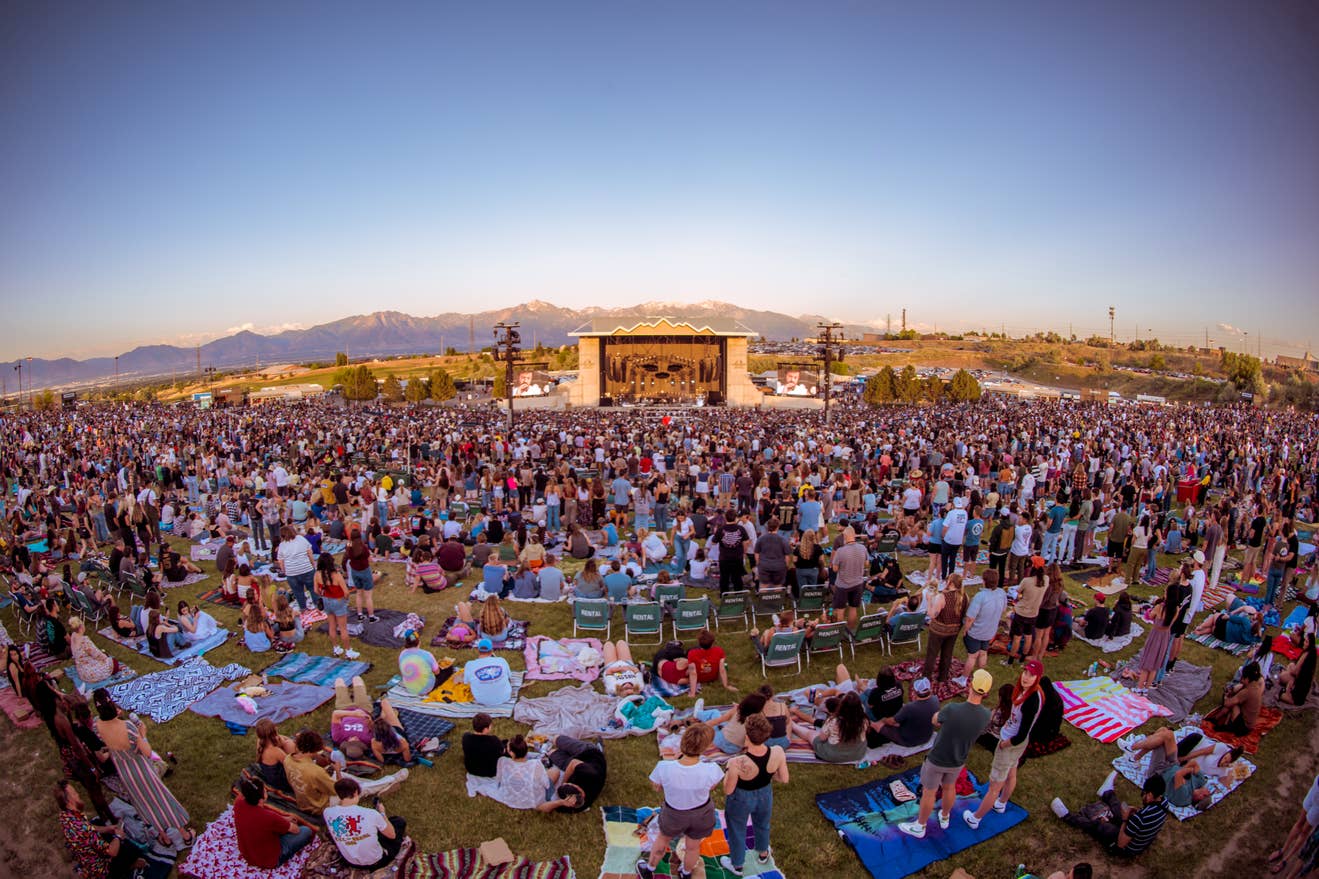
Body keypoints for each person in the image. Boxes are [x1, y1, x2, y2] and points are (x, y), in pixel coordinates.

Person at [91, 690, 195, 847]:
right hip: (141, 769)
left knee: (144, 804)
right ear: (112, 703)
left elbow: (105, 744)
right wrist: (143, 734)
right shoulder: (127, 727)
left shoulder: (96, 725)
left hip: (125, 773)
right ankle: (185, 834)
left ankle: (164, 837)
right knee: (162, 799)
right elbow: (146, 752)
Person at [898, 669, 993, 838]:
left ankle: (920, 826)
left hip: (938, 758)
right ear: (986, 692)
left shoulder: (953, 709)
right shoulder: (986, 715)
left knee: (929, 792)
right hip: (958, 759)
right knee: (949, 787)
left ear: (970, 685)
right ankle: (945, 815)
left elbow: (936, 720)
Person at [636, 724, 725, 879]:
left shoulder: (664, 767)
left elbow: (656, 787)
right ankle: (686, 873)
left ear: (682, 742)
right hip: (702, 814)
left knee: (662, 840)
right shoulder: (713, 769)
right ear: (705, 748)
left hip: (673, 815)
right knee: (692, 847)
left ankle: (649, 869)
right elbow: (711, 787)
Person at [963, 661, 1044, 829]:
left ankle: (975, 818)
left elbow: (1022, 733)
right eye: (1025, 673)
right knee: (1011, 773)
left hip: (1011, 743)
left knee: (994, 786)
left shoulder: (1032, 701)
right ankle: (1001, 803)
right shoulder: (1028, 692)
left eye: (1031, 675)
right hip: (1015, 742)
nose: (1026, 678)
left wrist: (1005, 744)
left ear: (1038, 678)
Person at [719, 714, 789, 877]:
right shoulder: (778, 751)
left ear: (747, 734)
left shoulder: (736, 762)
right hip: (765, 794)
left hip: (741, 799)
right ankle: (763, 853)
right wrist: (769, 775)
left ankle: (737, 865)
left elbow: (728, 790)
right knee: (763, 823)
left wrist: (727, 775)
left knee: (737, 829)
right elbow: (784, 778)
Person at [1052, 773, 1168, 856]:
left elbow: (1121, 843)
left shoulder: (1140, 818)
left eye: (1144, 793)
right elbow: (1146, 820)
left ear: (1150, 795)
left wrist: (1125, 820)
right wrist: (1133, 813)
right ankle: (1107, 793)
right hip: (1140, 837)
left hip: (1127, 848)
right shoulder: (1164, 803)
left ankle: (1067, 817)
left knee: (1098, 825)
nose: (1142, 796)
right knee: (1119, 808)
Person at [55, 779, 147, 879]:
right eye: (74, 793)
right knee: (131, 851)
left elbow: (90, 827)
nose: (78, 794)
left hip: (87, 859)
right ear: (69, 802)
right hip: (102, 870)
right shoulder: (83, 829)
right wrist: (118, 836)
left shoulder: (65, 816)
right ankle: (126, 868)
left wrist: (108, 829)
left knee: (99, 824)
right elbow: (112, 851)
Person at [324, 777, 408, 870]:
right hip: (377, 862)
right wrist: (382, 813)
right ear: (356, 792)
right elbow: (392, 835)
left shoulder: (327, 812)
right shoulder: (371, 814)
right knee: (398, 822)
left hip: (350, 861)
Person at [233, 776, 314, 869]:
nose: (266, 791)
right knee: (306, 831)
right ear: (260, 800)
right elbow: (295, 830)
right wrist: (286, 822)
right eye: (264, 791)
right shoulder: (268, 817)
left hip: (248, 853)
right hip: (270, 859)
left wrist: (283, 819)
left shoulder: (239, 802)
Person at [790, 691, 868, 763]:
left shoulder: (834, 721)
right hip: (857, 754)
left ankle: (792, 725)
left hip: (833, 755)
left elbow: (822, 738)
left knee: (810, 734)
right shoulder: (864, 720)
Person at [537, 735, 608, 813]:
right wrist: (563, 782)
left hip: (581, 759)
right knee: (556, 739)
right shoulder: (590, 773)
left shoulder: (572, 804)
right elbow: (573, 763)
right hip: (590, 754)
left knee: (552, 752)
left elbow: (539, 807)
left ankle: (564, 752)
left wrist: (560, 802)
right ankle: (599, 749)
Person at [869, 676, 938, 748]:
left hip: (908, 740)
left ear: (914, 691)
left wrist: (883, 720)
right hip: (926, 737)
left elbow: (892, 722)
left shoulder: (910, 707)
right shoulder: (935, 700)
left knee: (878, 724)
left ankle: (868, 723)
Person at [485, 734, 552, 810]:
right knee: (555, 772)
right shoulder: (536, 764)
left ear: (511, 752)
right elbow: (546, 784)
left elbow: (499, 780)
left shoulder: (502, 761)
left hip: (508, 797)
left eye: (507, 747)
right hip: (532, 801)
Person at [923, 572, 967, 683]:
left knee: (931, 655)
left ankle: (926, 679)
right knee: (947, 654)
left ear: (950, 583)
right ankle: (943, 677)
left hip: (938, 631)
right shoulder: (964, 597)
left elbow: (932, 614)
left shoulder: (943, 596)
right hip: (953, 631)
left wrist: (928, 601)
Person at [962, 569, 1006, 678]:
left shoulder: (980, 596)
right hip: (989, 631)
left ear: (984, 581)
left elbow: (970, 618)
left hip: (976, 632)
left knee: (972, 656)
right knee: (983, 653)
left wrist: (965, 630)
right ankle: (981, 677)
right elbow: (1004, 609)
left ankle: (963, 679)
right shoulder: (1002, 593)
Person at [1004, 557, 1046, 666]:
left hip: (1022, 613)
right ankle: (1022, 659)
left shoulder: (1027, 581)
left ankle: (1010, 661)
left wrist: (1021, 597)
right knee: (1028, 636)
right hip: (1033, 613)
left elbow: (1018, 593)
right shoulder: (1046, 580)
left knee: (1017, 637)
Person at [1205, 661, 1264, 736]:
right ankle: (1216, 719)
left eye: (1242, 677)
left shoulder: (1247, 691)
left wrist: (1226, 696)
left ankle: (1225, 725)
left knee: (1233, 704)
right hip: (1249, 723)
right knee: (1234, 700)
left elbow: (1227, 703)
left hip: (1243, 728)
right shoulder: (1254, 685)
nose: (1240, 680)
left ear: (1247, 678)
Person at [830, 526, 869, 627]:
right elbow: (867, 564)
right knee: (853, 608)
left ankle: (839, 633)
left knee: (840, 610)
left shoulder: (840, 551)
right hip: (858, 583)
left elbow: (834, 569)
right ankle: (850, 631)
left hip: (843, 585)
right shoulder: (863, 548)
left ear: (845, 536)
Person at [69, 616, 120, 685]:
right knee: (114, 663)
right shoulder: (84, 640)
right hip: (89, 673)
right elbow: (97, 654)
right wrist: (106, 658)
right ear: (81, 627)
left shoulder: (73, 636)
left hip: (81, 671)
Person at [465, 638, 512, 706]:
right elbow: (509, 677)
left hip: (482, 700)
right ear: (491, 650)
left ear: (478, 650)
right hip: (505, 697)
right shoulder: (501, 660)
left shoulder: (469, 665)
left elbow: (466, 682)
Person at [688, 629, 736, 694]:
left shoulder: (692, 653)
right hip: (713, 677)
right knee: (724, 665)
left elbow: (693, 673)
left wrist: (692, 693)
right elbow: (722, 670)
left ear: (699, 642)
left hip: (699, 679)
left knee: (686, 665)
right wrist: (726, 686)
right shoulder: (719, 651)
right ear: (712, 642)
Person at [462, 713, 505, 778]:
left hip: (471, 769)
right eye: (490, 725)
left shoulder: (466, 738)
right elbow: (502, 752)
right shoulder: (493, 741)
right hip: (491, 771)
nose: (491, 726)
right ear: (485, 729)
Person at [398, 630, 441, 696]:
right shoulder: (427, 654)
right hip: (426, 689)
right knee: (445, 672)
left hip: (410, 688)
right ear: (418, 641)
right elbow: (437, 672)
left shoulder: (402, 654)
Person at [1279, 632, 1317, 706]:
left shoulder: (1306, 654)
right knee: (1291, 665)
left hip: (1297, 688)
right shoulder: (1313, 654)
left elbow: (1295, 672)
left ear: (1310, 644)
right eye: (1304, 640)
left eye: (1306, 641)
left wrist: (1289, 670)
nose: (1304, 643)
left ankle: (1287, 693)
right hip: (1303, 685)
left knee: (1283, 676)